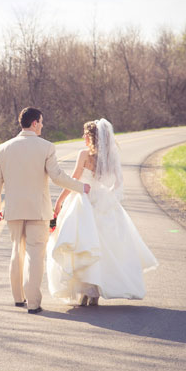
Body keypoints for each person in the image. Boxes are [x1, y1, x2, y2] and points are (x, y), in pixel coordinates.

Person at [0, 107, 91, 314]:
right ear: (34, 123)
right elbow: (57, 176)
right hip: (38, 211)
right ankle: (33, 303)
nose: (43, 125)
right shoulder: (46, 147)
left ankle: (18, 298)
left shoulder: (4, 148)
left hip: (14, 210)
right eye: (41, 122)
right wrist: (81, 187)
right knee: (35, 256)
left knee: (16, 251)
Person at [47, 118, 158, 306]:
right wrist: (107, 197)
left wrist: (59, 201)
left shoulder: (83, 155)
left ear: (92, 137)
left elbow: (74, 180)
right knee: (102, 248)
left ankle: (85, 291)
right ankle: (94, 293)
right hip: (103, 201)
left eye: (85, 134)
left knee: (83, 245)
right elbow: (119, 183)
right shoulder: (111, 157)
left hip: (83, 200)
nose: (83, 136)